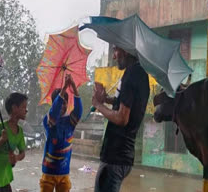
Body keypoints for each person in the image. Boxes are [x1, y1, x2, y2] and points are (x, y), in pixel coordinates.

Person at [92, 45, 150, 192]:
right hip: (123, 156)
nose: (114, 56)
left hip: (115, 157)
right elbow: (126, 103)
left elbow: (122, 118)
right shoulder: (138, 73)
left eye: (115, 50)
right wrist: (107, 99)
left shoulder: (132, 74)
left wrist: (98, 105)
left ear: (125, 50)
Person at [40, 74, 83, 192]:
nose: (62, 106)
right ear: (54, 103)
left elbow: (79, 111)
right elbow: (54, 113)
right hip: (48, 172)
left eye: (65, 103)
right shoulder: (48, 119)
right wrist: (64, 89)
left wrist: (73, 87)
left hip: (64, 173)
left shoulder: (70, 121)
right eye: (60, 102)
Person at [0, 92, 28, 192]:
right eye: (23, 107)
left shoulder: (19, 131)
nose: (26, 110)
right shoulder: (0, 128)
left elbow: (22, 153)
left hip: (5, 177)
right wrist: (2, 140)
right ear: (14, 108)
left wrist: (16, 157)